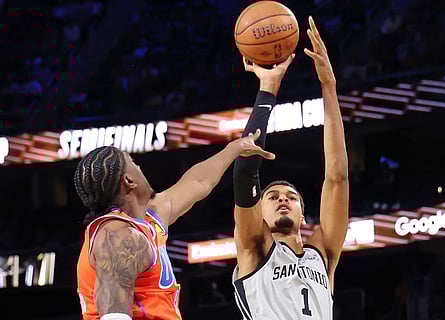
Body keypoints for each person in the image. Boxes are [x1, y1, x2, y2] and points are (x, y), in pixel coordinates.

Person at [75, 132, 274, 319]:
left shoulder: (149, 219)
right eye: (133, 163)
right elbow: (112, 311)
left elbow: (198, 182)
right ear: (129, 181)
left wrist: (235, 148)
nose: (140, 167)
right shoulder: (118, 235)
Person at [232, 16, 349, 320]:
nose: (283, 198)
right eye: (272, 197)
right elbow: (245, 172)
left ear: (302, 212)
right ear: (260, 212)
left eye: (291, 197)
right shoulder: (253, 249)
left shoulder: (322, 255)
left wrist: (329, 86)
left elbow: (336, 178)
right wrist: (267, 90)